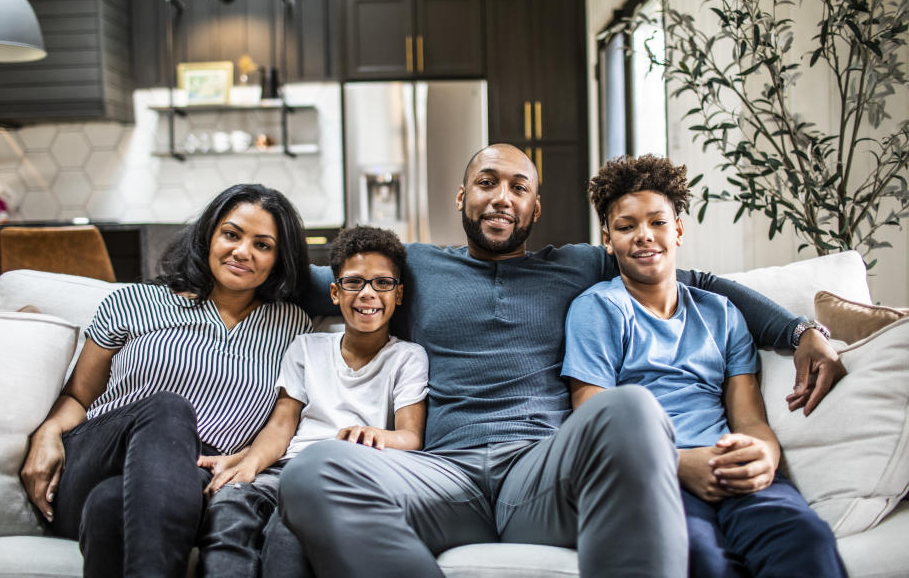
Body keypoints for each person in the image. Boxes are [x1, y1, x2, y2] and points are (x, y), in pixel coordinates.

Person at [279, 144, 845, 577]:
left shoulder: (577, 265)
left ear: (536, 206)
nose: (502, 196)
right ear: (461, 197)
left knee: (631, 409)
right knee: (310, 471)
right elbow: (310, 284)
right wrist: (215, 274)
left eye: (518, 187)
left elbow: (697, 283)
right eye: (486, 182)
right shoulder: (413, 268)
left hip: (544, 470)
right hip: (443, 475)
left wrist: (801, 332)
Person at [563, 155, 846, 577]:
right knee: (700, 557)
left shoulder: (722, 313)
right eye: (626, 227)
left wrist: (764, 456)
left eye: (657, 222)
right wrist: (678, 465)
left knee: (806, 541)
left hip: (730, 467)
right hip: (656, 478)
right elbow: (593, 419)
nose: (644, 236)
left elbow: (748, 418)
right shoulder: (598, 310)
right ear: (608, 239)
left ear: (677, 230)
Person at [19, 184, 313, 578]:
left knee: (111, 508)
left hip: (191, 476)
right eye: (231, 234)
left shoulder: (293, 326)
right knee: (168, 408)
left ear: (279, 260)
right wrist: (47, 432)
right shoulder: (134, 302)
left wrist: (247, 462)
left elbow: (283, 419)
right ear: (208, 235)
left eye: (263, 245)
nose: (243, 251)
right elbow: (78, 395)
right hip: (99, 456)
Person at [195, 225, 429, 578]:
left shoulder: (408, 357)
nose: (367, 294)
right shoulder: (306, 347)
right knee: (230, 504)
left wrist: (374, 435)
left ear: (398, 294)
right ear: (335, 292)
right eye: (354, 282)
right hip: (284, 468)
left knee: (287, 527)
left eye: (382, 283)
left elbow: (411, 436)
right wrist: (250, 465)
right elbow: (282, 425)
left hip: (341, 475)